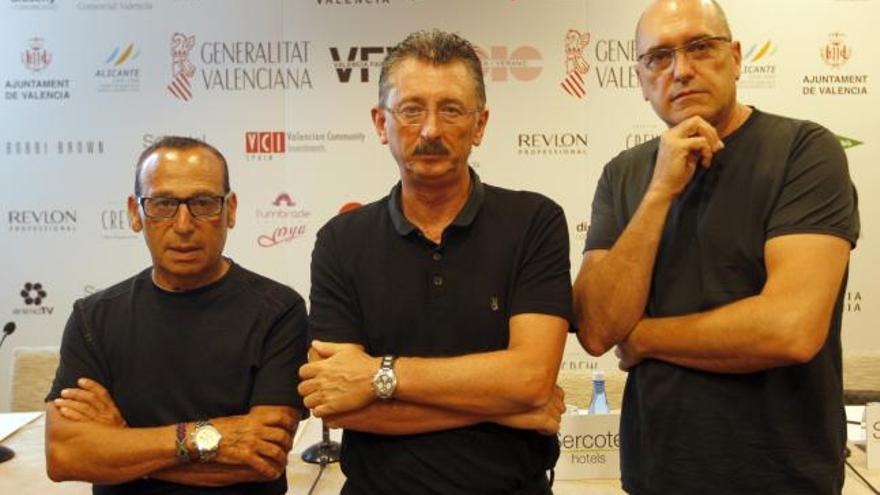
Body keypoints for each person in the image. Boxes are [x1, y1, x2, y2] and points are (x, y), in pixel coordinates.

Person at [573, 0, 860, 493]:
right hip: (658, 473)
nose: (681, 70)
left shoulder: (803, 151)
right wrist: (660, 191)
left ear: (735, 57)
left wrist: (644, 338)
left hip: (785, 477)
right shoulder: (623, 175)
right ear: (641, 81)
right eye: (658, 58)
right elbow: (598, 329)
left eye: (700, 48)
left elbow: (789, 329)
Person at [298, 30, 572, 495]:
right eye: (410, 109)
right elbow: (339, 405)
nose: (429, 130)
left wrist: (378, 376)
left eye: (450, 109)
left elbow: (529, 378)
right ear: (380, 123)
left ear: (480, 124)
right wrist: (504, 406)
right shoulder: (340, 241)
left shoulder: (534, 222)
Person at [45, 136, 309, 495]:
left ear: (230, 210)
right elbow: (65, 455)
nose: (183, 224)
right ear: (134, 213)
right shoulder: (93, 318)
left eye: (203, 203)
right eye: (163, 203)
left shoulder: (279, 311)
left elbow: (261, 459)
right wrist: (206, 439)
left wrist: (121, 445)